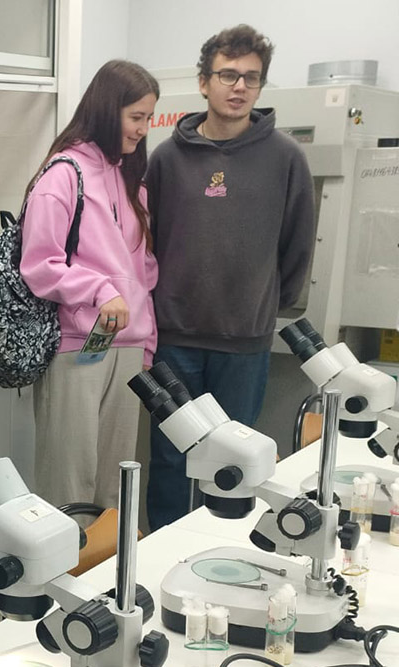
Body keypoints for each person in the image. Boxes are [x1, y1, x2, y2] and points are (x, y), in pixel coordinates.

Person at [145, 25, 315, 530]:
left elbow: (298, 244)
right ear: (204, 82)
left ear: (260, 87)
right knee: (171, 457)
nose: (239, 86)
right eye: (227, 75)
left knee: (234, 462)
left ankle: (220, 549)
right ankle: (163, 552)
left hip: (244, 342)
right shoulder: (167, 158)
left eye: (251, 78)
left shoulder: (286, 157)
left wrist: (263, 305)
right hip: (175, 338)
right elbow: (147, 241)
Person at [20, 60, 159, 511]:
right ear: (107, 109)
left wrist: (147, 343)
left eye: (149, 117)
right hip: (78, 345)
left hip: (128, 348)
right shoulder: (63, 174)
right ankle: (64, 561)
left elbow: (143, 274)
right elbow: (39, 265)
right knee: (68, 485)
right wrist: (99, 290)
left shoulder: (132, 181)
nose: (143, 129)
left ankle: (109, 560)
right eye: (136, 117)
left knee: (115, 487)